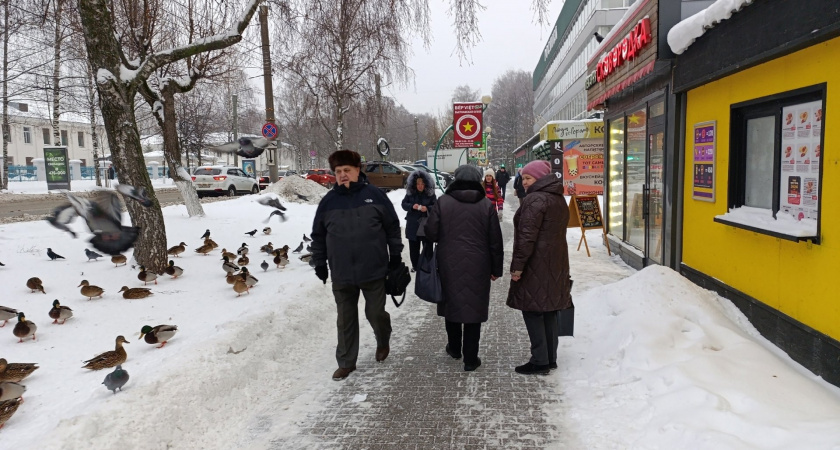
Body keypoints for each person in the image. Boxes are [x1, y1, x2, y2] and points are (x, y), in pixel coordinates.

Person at [310, 149, 404, 381]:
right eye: (338, 171)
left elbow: (392, 227)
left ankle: (383, 340)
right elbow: (318, 236)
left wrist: (396, 257)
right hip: (341, 272)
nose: (342, 175)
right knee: (345, 320)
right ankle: (346, 362)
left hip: (373, 269)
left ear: (357, 170)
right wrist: (320, 263)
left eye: (347, 170)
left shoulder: (375, 195)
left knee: (375, 313)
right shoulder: (328, 202)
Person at [425, 165, 503, 372]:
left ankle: (454, 348)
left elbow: (431, 233)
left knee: (452, 305)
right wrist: (496, 269)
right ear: (478, 181)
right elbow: (495, 240)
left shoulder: (443, 202)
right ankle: (471, 358)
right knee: (473, 309)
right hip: (480, 263)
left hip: (448, 263)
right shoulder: (486, 205)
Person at [507, 160, 572, 375]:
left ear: (540, 178)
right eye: (523, 178)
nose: (524, 182)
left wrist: (517, 268)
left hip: (536, 264)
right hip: (555, 263)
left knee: (533, 311)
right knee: (549, 311)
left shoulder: (535, 199)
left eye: (528, 178)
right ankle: (550, 358)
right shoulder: (557, 198)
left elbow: (526, 238)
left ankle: (539, 360)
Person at [401, 170, 437, 272]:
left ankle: (427, 266)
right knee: (413, 247)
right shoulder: (410, 194)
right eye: (418, 184)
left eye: (422, 184)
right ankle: (415, 266)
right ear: (414, 184)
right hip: (413, 225)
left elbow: (435, 205)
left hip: (426, 225)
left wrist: (428, 208)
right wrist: (412, 206)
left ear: (426, 184)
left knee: (428, 247)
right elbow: (403, 204)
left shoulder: (430, 195)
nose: (420, 186)